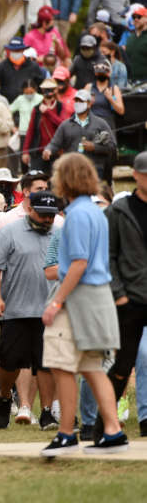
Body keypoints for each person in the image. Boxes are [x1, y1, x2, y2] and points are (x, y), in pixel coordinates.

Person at [41, 153, 127, 455]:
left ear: (67, 179)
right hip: (98, 295)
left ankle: (66, 433)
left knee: (61, 363)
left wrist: (56, 302)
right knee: (92, 366)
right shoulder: (96, 212)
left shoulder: (76, 214)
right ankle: (113, 431)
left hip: (78, 296)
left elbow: (78, 262)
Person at [0, 190, 60, 430]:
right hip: (15, 309)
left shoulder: (60, 233)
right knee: (10, 362)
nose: (47, 220)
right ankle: (5, 397)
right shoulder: (9, 231)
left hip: (49, 310)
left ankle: (47, 411)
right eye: (43, 215)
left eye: (51, 215)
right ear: (30, 210)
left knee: (46, 364)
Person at [104, 151, 147, 436]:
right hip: (130, 298)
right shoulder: (120, 211)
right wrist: (119, 294)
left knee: (145, 357)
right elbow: (108, 256)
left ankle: (145, 418)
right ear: (135, 174)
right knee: (123, 364)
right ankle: (103, 421)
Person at [43, 89, 115, 180]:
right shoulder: (65, 125)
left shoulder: (101, 124)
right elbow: (55, 143)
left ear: (89, 104)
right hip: (71, 170)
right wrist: (48, 150)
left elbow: (112, 147)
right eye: (76, 100)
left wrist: (94, 147)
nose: (77, 103)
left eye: (81, 101)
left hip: (94, 169)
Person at [0, 37, 44, 104]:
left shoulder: (33, 66)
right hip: (7, 105)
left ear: (23, 50)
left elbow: (41, 86)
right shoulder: (1, 67)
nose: (15, 53)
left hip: (29, 105)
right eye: (13, 50)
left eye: (18, 50)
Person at [126, 7, 147, 82]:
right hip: (130, 81)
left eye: (139, 17)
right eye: (133, 17)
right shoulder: (130, 38)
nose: (136, 19)